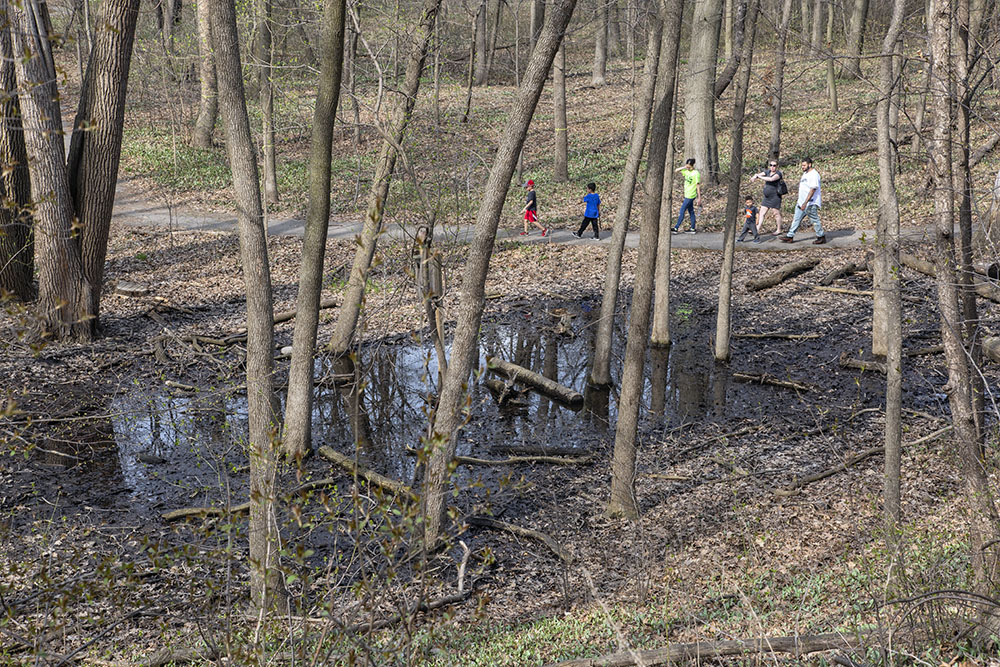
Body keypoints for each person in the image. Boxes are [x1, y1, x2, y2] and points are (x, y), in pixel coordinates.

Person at [781, 158, 825, 244]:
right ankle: (790, 236)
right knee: (796, 219)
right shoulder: (805, 174)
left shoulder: (814, 174)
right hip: (801, 203)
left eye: (804, 165)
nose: (802, 167)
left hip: (810, 203)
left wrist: (805, 202)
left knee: (814, 220)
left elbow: (813, 189)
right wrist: (801, 202)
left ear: (810, 164)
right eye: (802, 165)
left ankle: (821, 236)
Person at [749, 159, 785, 234]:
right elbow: (759, 174)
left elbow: (771, 179)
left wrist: (759, 177)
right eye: (771, 165)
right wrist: (755, 176)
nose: (772, 167)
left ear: (777, 166)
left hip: (775, 197)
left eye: (774, 165)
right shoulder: (768, 172)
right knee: (762, 213)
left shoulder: (778, 174)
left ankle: (778, 230)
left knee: (776, 213)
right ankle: (757, 229)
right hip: (767, 197)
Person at [671, 158, 701, 234]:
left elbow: (698, 186)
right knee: (691, 211)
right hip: (686, 194)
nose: (688, 167)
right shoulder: (686, 171)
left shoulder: (696, 173)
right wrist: (684, 167)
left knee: (682, 211)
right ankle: (693, 229)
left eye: (689, 166)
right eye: (687, 166)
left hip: (691, 195)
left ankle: (676, 228)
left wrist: (699, 198)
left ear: (693, 165)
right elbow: (676, 170)